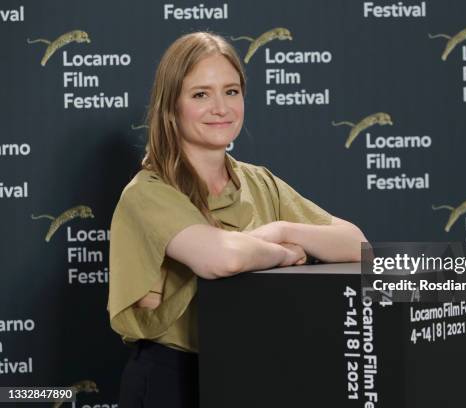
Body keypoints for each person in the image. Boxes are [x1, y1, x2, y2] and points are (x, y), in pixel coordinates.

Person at [107, 31, 366, 407]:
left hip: (253, 371)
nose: (221, 108)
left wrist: (281, 229)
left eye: (231, 91)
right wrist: (285, 253)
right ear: (171, 105)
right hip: (175, 381)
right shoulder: (148, 192)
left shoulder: (259, 181)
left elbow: (359, 244)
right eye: (201, 94)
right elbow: (222, 259)